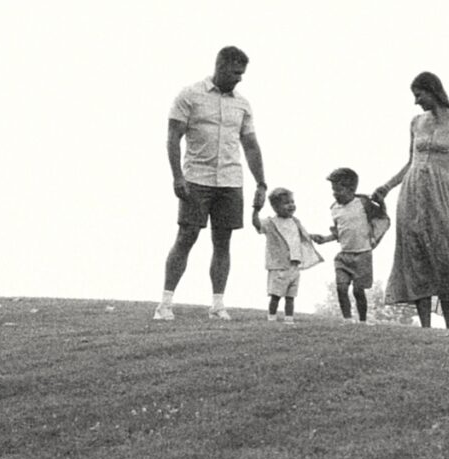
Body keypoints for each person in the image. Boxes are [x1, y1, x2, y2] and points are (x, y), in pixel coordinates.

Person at [156, 46, 268, 322]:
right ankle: (165, 303)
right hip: (197, 179)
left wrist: (261, 182)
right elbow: (173, 138)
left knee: (223, 241)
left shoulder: (242, 104)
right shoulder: (190, 95)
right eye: (235, 72)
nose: (239, 78)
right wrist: (177, 177)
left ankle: (217, 305)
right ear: (220, 66)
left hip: (230, 181)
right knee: (186, 237)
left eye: (242, 74)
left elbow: (250, 145)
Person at [372, 71, 449, 329]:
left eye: (419, 95)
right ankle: (424, 326)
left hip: (442, 192)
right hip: (412, 192)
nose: (416, 101)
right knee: (415, 252)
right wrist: (387, 187)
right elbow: (410, 161)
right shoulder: (416, 122)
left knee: (446, 252)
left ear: (433, 91)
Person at [325, 167, 383, 323]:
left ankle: (362, 321)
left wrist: (381, 202)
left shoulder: (363, 203)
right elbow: (339, 232)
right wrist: (324, 239)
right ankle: (347, 319)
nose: (335, 194)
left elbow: (381, 216)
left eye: (338, 190)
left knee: (358, 290)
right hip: (344, 256)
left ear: (351, 189)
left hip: (362, 254)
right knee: (341, 288)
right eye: (333, 190)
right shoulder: (334, 209)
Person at [261, 187, 324, 318]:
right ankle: (271, 317)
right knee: (276, 295)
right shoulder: (270, 222)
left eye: (292, 202)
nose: (291, 205)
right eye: (286, 203)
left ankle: (289, 318)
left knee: (291, 296)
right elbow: (258, 226)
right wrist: (255, 211)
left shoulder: (295, 221)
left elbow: (301, 235)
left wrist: (312, 236)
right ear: (275, 207)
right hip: (279, 265)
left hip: (294, 264)